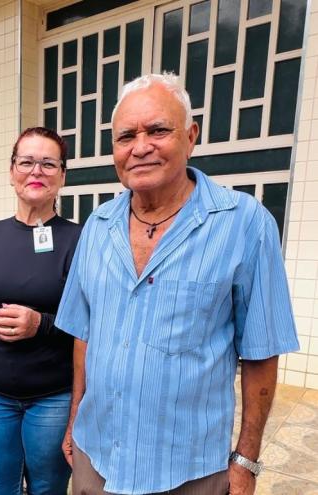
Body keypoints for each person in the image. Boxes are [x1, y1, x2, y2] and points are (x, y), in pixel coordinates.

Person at [56, 72, 300, 495]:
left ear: (191, 136)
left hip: (187, 471)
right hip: (96, 458)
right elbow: (85, 337)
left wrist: (245, 461)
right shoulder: (97, 226)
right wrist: (75, 420)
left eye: (157, 130)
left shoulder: (245, 224)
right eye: (126, 136)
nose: (140, 147)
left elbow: (261, 353)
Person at [0, 127, 81, 495]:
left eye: (48, 164)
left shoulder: (80, 239)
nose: (36, 171)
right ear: (11, 172)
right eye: (26, 162)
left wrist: (41, 324)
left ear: (62, 176)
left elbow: (93, 321)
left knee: (48, 490)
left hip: (53, 397)